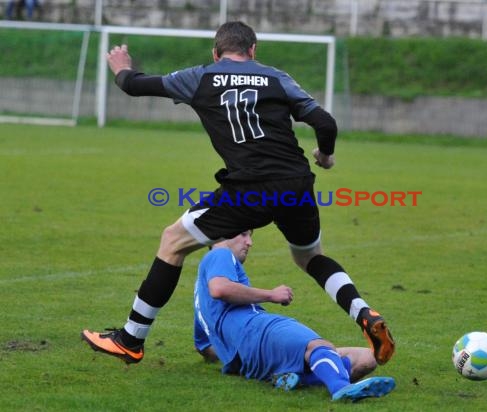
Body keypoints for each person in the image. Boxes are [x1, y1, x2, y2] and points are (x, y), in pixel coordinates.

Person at [81, 21, 394, 367]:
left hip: (249, 189)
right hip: (296, 183)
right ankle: (364, 313)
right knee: (310, 258)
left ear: (216, 53)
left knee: (173, 241)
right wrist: (326, 154)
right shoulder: (276, 77)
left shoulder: (202, 76)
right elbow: (325, 123)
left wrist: (122, 67)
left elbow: (133, 85)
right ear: (253, 50)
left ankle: (130, 339)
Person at [192, 230, 395, 401]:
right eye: (244, 234)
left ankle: (299, 378)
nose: (249, 242)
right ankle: (341, 388)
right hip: (256, 330)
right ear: (220, 235)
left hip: (247, 361)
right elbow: (220, 288)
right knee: (317, 346)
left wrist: (235, 357)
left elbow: (205, 348)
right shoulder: (219, 253)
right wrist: (271, 295)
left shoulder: (199, 301)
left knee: (368, 359)